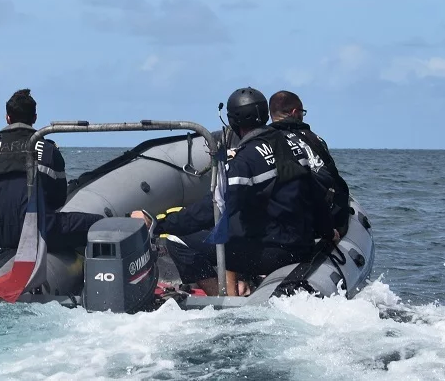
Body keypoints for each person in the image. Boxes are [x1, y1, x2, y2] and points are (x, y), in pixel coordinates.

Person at [133, 86, 334, 295]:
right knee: (237, 228)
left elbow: (213, 209)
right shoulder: (292, 145)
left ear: (233, 121)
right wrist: (328, 232)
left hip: (275, 252)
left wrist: (158, 224)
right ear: (265, 114)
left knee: (178, 241)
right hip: (300, 244)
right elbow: (314, 194)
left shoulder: (245, 161)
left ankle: (222, 303)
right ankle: (240, 287)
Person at [0, 88, 103, 252]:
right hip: (42, 231)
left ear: (7, 118)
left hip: (3, 235)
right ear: (35, 118)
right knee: (99, 224)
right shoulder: (48, 150)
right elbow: (58, 199)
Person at [268, 90, 351, 234]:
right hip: (321, 216)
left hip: (289, 219)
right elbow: (333, 177)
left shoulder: (265, 142)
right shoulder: (315, 139)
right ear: (295, 112)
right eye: (302, 112)